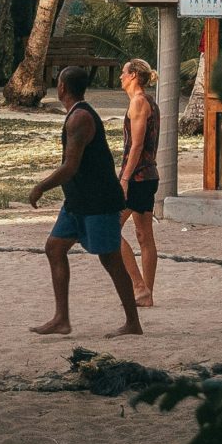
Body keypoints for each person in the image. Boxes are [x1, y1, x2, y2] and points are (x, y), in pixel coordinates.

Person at [26, 62, 143, 338]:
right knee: (54, 248)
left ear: (62, 87)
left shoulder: (80, 118)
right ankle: (61, 318)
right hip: (77, 200)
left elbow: (71, 166)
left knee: (111, 260)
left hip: (98, 201)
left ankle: (133, 322)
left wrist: (41, 187)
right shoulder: (76, 115)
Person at [118, 56, 162, 308]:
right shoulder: (151, 102)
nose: (121, 76)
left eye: (124, 72)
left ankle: (138, 286)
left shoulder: (138, 103)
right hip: (148, 175)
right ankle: (147, 293)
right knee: (144, 235)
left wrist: (124, 178)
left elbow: (135, 146)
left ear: (134, 75)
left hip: (137, 176)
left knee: (111, 229)